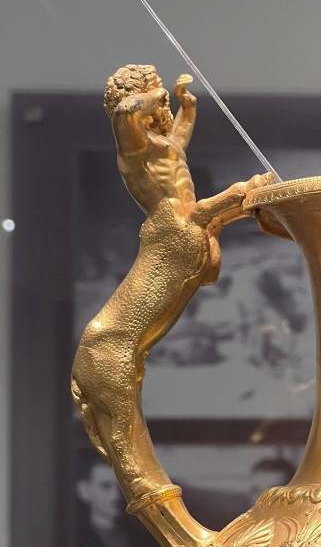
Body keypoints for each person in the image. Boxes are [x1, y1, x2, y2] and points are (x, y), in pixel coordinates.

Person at [71, 64, 273, 500]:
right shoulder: (133, 148)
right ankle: (141, 484)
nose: (162, 103)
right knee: (122, 429)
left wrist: (187, 107)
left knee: (208, 216)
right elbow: (125, 112)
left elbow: (179, 142)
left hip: (186, 226)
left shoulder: (162, 144)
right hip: (171, 229)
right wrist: (239, 194)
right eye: (155, 96)